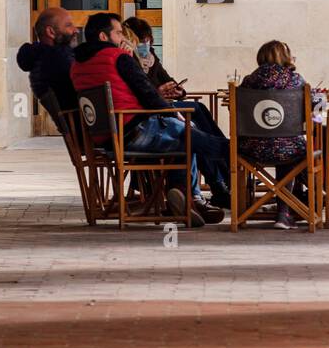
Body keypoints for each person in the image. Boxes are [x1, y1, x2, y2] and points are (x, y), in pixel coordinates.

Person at [71, 13, 230, 224]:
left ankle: (185, 198)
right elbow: (149, 95)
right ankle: (234, 154)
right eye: (118, 33)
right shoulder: (118, 58)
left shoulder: (77, 66)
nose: (122, 38)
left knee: (183, 140)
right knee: (189, 132)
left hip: (106, 138)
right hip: (135, 130)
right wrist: (175, 115)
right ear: (103, 36)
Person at [238, 40, 311, 229]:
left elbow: (240, 113)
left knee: (280, 141)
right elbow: (310, 112)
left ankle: (284, 211)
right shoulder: (296, 81)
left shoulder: (248, 82)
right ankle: (285, 213)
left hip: (252, 149)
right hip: (289, 149)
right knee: (287, 145)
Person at [15, 7, 79, 110]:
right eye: (68, 25)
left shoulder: (42, 60)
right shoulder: (58, 60)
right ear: (51, 32)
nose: (76, 30)